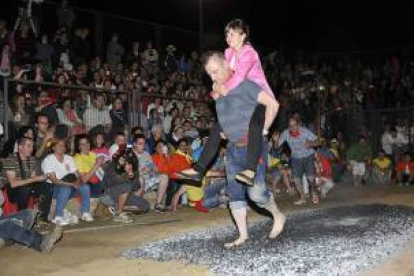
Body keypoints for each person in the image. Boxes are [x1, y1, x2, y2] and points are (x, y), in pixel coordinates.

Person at [195, 51, 285, 248]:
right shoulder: (219, 93)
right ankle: (242, 235)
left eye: (215, 71)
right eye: (209, 74)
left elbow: (272, 104)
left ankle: (278, 215)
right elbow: (225, 121)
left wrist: (263, 131)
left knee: (256, 194)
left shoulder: (245, 84)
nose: (213, 77)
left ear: (227, 64)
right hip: (232, 150)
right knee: (234, 194)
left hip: (252, 147)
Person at [178, 19, 278, 187]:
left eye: (232, 34)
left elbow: (239, 77)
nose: (228, 37)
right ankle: (199, 169)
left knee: (256, 127)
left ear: (243, 36)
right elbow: (227, 71)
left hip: (259, 94)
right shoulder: (228, 52)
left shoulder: (249, 53)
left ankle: (250, 170)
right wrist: (216, 87)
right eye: (226, 34)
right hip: (242, 94)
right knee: (217, 129)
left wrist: (223, 88)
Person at [2, 136, 53, 223]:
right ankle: (22, 218)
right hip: (10, 190)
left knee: (47, 186)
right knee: (25, 189)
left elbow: (33, 178)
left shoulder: (32, 159)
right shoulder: (10, 160)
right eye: (28, 146)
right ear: (20, 147)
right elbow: (13, 184)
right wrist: (35, 179)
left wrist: (43, 177)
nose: (31, 149)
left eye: (32, 146)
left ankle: (42, 217)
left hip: (26, 186)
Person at [278, 117, 319, 205]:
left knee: (310, 178)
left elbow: (318, 141)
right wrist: (275, 140)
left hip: (307, 156)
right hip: (295, 158)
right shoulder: (285, 133)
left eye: (295, 125)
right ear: (288, 127)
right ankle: (302, 198)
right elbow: (277, 146)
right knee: (296, 179)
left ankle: (314, 192)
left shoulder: (304, 131)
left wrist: (311, 143)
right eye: (290, 126)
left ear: (298, 125)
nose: (293, 127)